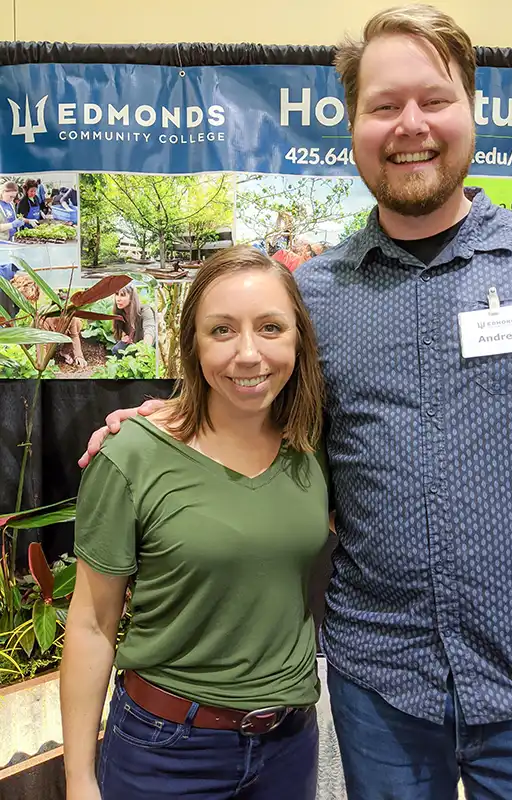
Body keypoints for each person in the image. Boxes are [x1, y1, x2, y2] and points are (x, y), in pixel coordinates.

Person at [80, 5, 512, 798]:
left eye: (434, 99)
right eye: (384, 105)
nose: (410, 125)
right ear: (352, 125)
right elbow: (254, 414)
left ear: (474, 108)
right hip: (380, 689)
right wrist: (169, 423)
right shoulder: (313, 295)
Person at [62, 245, 329, 800]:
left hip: (290, 743)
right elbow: (91, 624)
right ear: (193, 344)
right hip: (166, 750)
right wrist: (79, 778)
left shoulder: (312, 448)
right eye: (222, 330)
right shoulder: (132, 455)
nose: (248, 354)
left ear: (299, 340)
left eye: (271, 327)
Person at [111, 284, 156, 358]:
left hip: (148, 344)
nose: (118, 299)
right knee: (116, 350)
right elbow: (118, 331)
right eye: (116, 294)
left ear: (131, 297)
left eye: (122, 295)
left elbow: (149, 329)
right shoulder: (120, 313)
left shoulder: (145, 310)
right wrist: (124, 336)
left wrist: (145, 351)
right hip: (133, 343)